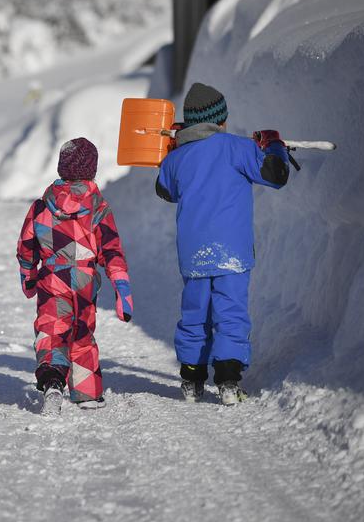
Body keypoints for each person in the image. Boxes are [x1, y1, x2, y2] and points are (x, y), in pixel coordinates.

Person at [155, 83, 290, 405]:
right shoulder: (238, 148)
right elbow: (276, 175)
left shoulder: (177, 159)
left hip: (194, 253)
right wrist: (273, 146)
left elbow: (165, 190)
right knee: (230, 313)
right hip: (231, 251)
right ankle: (228, 381)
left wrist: (173, 154)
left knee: (194, 314)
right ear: (220, 120)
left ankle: (191, 379)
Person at [16, 137, 133, 413]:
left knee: (52, 330)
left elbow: (27, 245)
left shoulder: (42, 207)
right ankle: (87, 393)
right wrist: (122, 288)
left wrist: (28, 275)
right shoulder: (98, 208)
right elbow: (111, 249)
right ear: (91, 170)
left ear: (61, 168)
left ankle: (53, 380)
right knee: (82, 333)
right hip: (85, 281)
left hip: (53, 279)